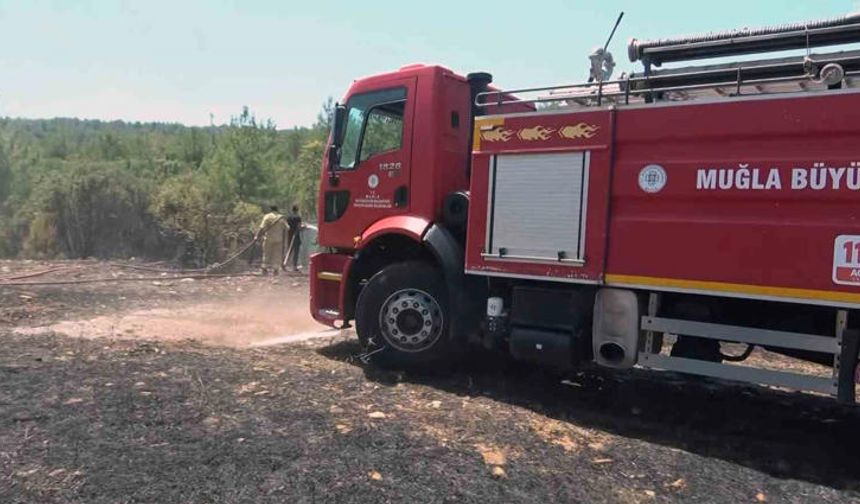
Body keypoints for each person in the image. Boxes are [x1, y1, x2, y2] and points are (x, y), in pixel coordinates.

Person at [254, 205, 288, 275]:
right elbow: (287, 228)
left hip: (268, 238)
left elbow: (262, 227)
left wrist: (256, 236)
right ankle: (275, 269)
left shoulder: (267, 217)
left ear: (270, 210)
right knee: (277, 254)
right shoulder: (281, 217)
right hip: (279, 239)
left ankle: (264, 268)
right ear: (277, 209)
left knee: (266, 253)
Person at [285, 205, 303, 272]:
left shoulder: (288, 217)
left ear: (292, 210)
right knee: (296, 252)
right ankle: (294, 266)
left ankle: (284, 264)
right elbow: (299, 227)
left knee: (289, 250)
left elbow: (286, 226)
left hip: (289, 235)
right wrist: (303, 228)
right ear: (297, 210)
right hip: (296, 236)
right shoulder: (298, 217)